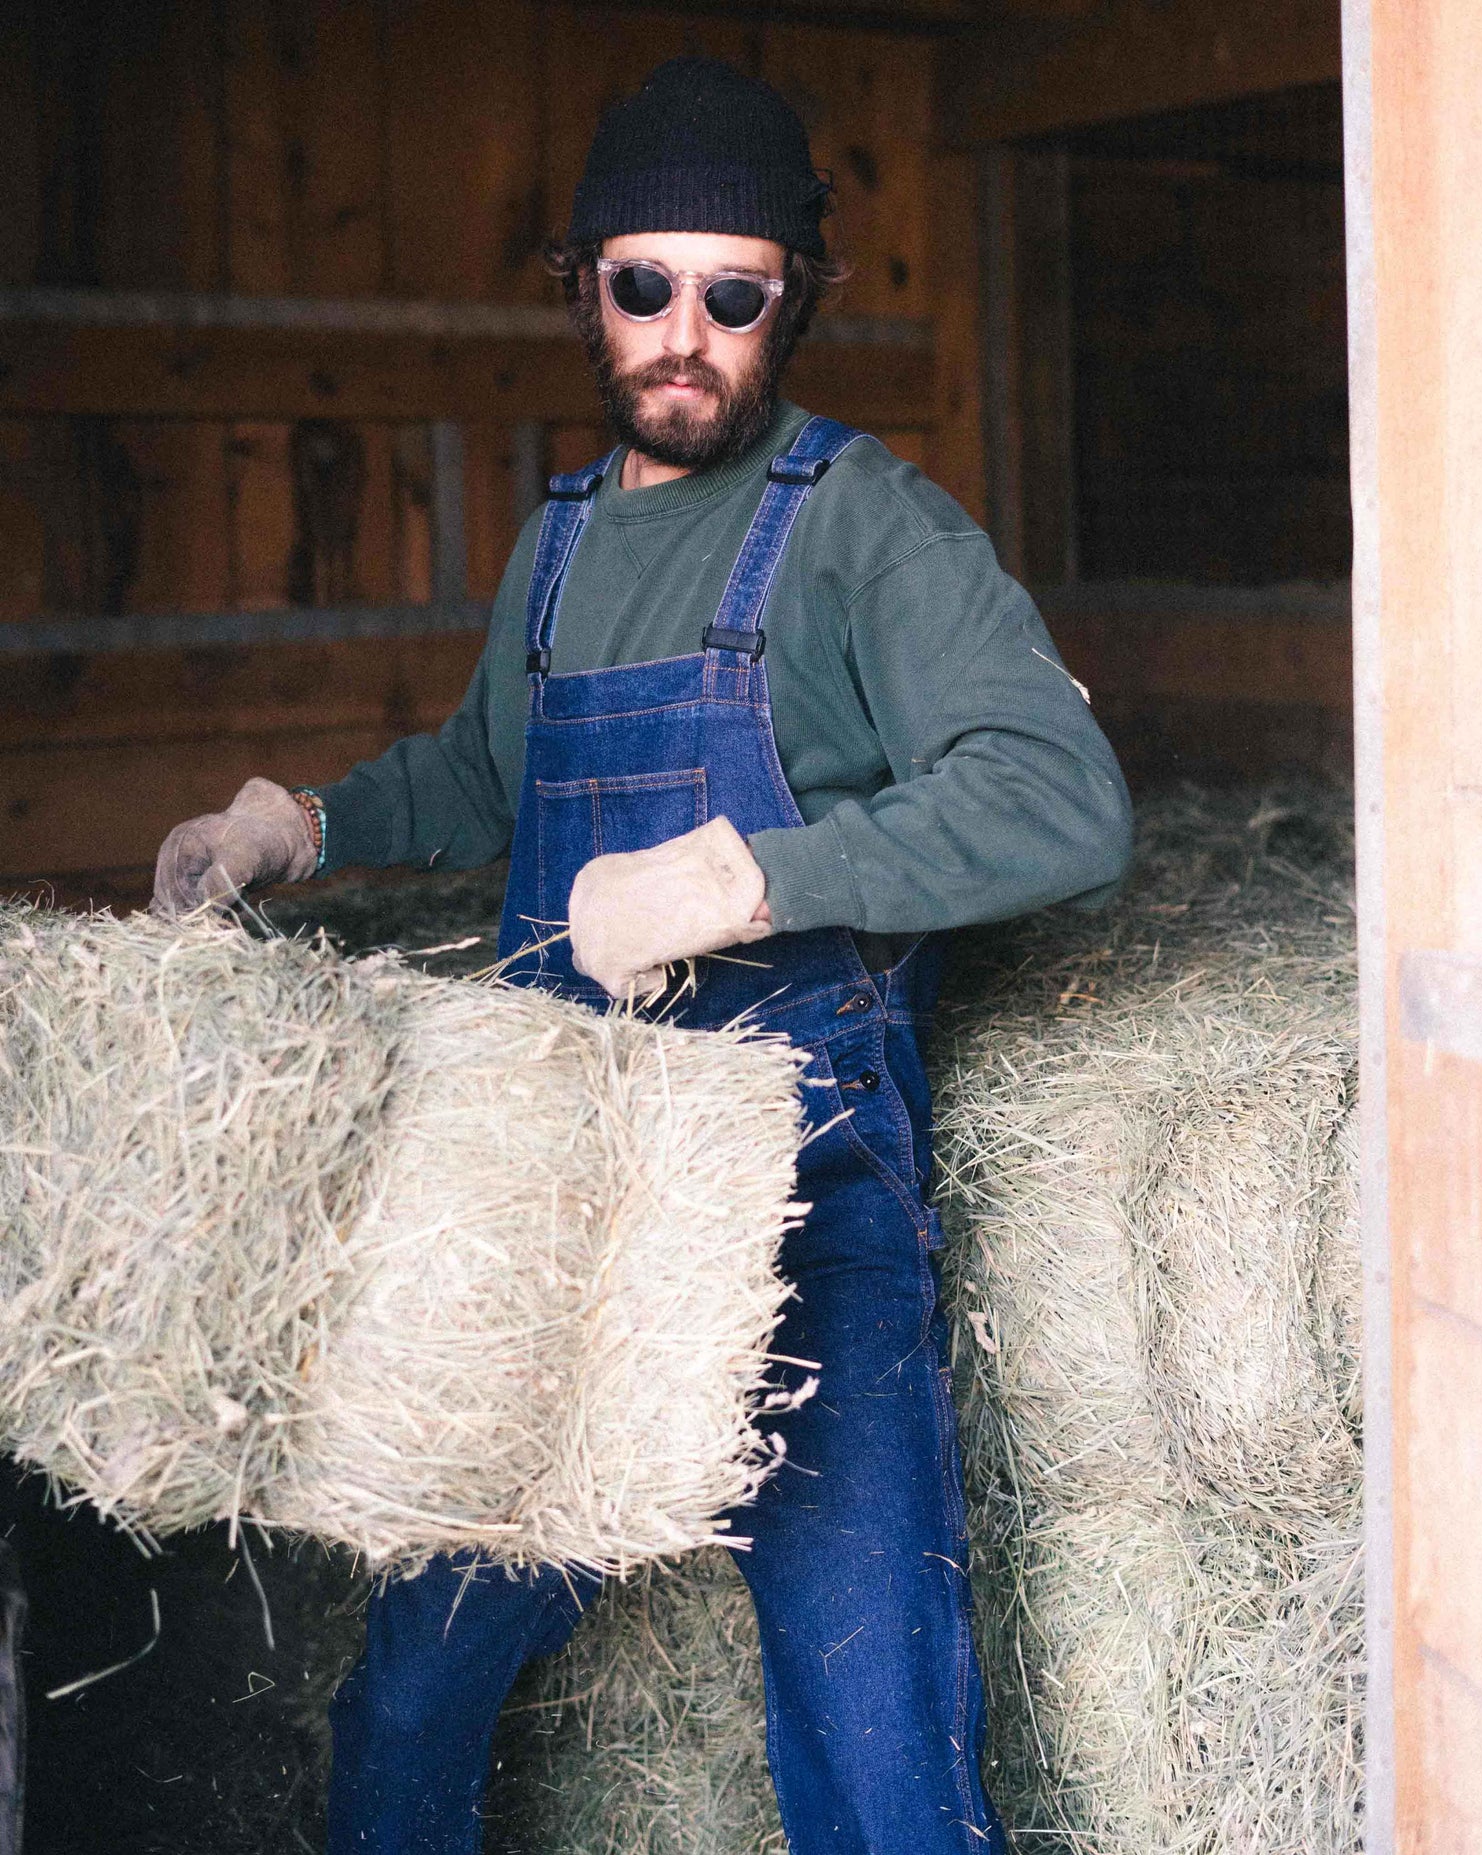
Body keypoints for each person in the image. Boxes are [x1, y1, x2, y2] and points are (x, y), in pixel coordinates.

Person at [154, 57, 1131, 1855]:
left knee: (874, 1739)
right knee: (407, 1705)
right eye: (644, 285)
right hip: (570, 1207)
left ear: (796, 298)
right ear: (586, 282)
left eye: (735, 294)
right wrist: (302, 820)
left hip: (799, 1206)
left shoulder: (863, 528)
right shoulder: (558, 539)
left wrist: (747, 880)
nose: (686, 335)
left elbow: (1062, 800)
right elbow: (483, 769)